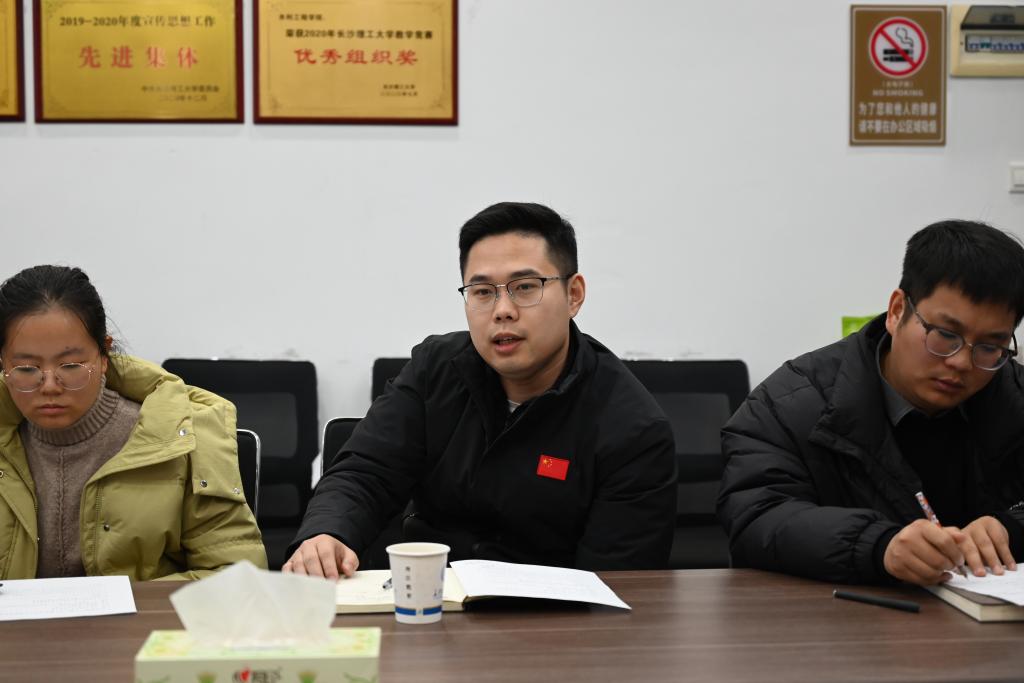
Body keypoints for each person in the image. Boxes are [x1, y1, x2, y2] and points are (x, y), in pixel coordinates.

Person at [285, 202, 676, 577]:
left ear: (573, 295)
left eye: (525, 287)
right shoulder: (435, 369)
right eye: (483, 291)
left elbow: (614, 584)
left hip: (552, 615)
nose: (502, 310)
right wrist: (327, 533)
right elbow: (366, 472)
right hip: (432, 600)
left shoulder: (633, 429)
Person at [718, 220, 1024, 586]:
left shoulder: (1015, 395)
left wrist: (1012, 525)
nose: (961, 362)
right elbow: (757, 517)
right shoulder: (787, 405)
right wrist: (879, 546)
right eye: (945, 334)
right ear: (897, 311)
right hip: (845, 615)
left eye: (990, 347)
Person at [0, 265, 267, 579]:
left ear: (104, 356)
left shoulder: (179, 438)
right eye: (26, 369)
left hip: (143, 613)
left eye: (70, 366)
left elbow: (236, 576)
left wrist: (125, 600)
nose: (49, 386)